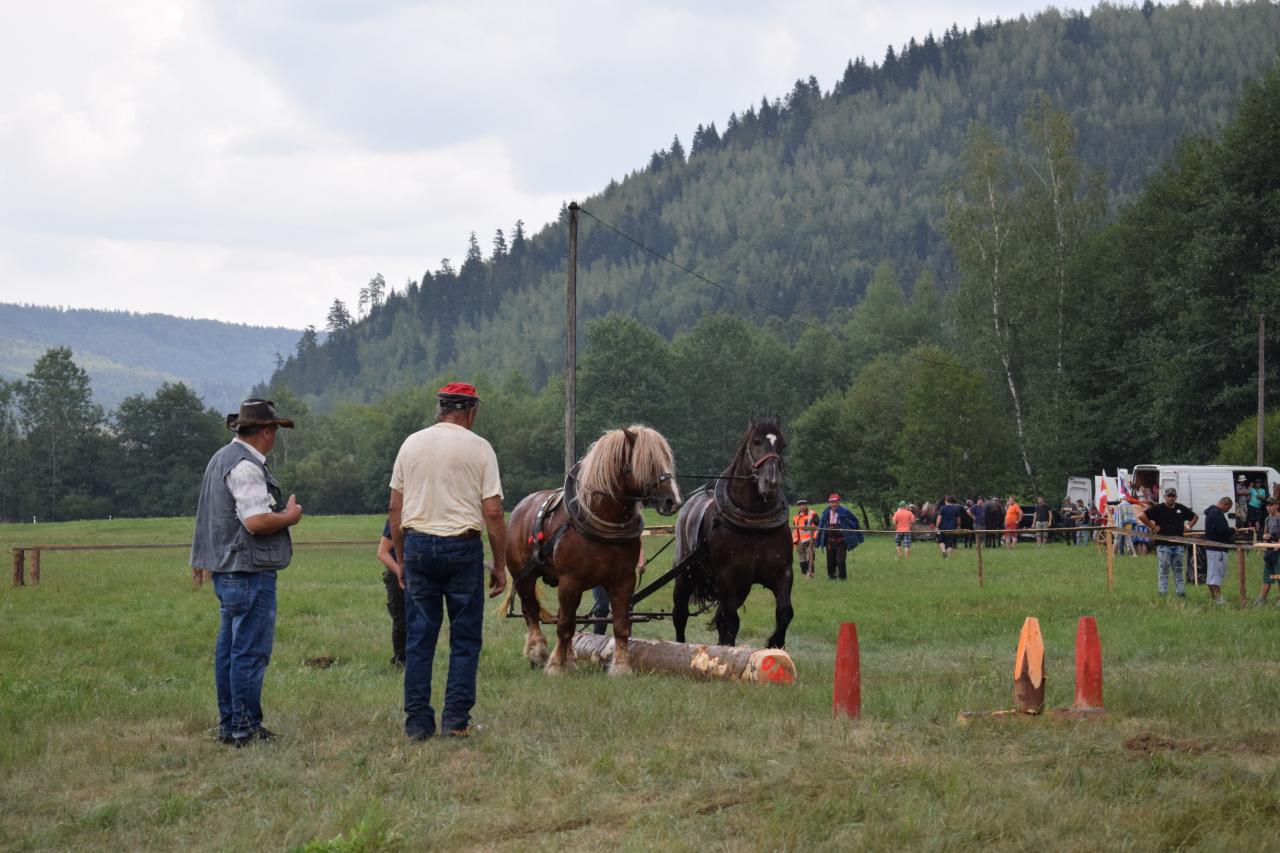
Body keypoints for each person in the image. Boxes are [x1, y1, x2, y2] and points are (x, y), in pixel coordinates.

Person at [388, 382, 507, 740]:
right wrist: (500, 564)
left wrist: (402, 557)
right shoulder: (480, 447)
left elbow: (395, 507)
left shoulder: (411, 444)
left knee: (419, 638)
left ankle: (417, 724)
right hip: (462, 547)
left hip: (418, 546)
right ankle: (455, 721)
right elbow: (493, 512)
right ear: (470, 412)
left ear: (441, 410)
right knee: (465, 637)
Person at [191, 399, 303, 747]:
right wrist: (289, 516)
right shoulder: (246, 466)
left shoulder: (220, 458)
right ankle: (244, 727)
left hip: (227, 569)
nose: (275, 438)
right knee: (250, 652)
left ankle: (231, 723)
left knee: (230, 651)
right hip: (249, 571)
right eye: (275, 430)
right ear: (266, 431)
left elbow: (209, 515)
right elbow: (256, 521)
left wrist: (202, 557)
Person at [1137, 487, 1198, 598]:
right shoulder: (1158, 508)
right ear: (1164, 497)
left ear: (1175, 497)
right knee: (1164, 569)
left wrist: (1188, 526)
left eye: (1172, 496)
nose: (1170, 498)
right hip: (1163, 545)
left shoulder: (1180, 508)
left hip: (1179, 544)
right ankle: (1163, 592)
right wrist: (1153, 527)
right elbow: (1141, 516)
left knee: (1178, 569)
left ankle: (1181, 592)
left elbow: (1195, 517)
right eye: (1168, 496)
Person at [375, 520, 407, 668]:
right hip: (396, 574)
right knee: (401, 621)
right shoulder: (397, 518)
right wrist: (400, 572)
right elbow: (382, 553)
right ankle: (400, 663)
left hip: (418, 573)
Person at [816, 493, 862, 580]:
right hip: (829, 541)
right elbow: (821, 525)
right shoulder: (826, 513)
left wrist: (850, 531)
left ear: (839, 502)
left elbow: (854, 521)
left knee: (840, 561)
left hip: (841, 541)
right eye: (832, 502)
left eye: (836, 502)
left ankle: (842, 578)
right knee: (830, 562)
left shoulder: (845, 512)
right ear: (829, 503)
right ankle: (831, 578)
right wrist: (818, 534)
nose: (834, 504)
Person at [1201, 497, 1234, 605]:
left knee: (1211, 575)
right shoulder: (1217, 513)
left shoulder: (1211, 512)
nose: (1227, 511)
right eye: (1228, 508)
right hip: (1217, 548)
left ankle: (1214, 598)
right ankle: (1219, 599)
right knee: (1216, 575)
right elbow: (1222, 531)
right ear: (1225, 504)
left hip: (1211, 548)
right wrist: (1233, 530)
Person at [1253, 499, 1280, 606]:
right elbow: (1265, 534)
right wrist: (1265, 540)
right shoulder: (1267, 519)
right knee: (1267, 576)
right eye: (1267, 505)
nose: (1269, 507)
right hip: (1269, 551)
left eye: (1271, 505)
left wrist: (1273, 539)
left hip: (1278, 551)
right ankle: (1261, 599)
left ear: (1277, 505)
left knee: (1279, 576)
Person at [792, 499, 819, 578]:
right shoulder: (796, 516)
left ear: (806, 505)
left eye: (803, 505)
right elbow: (795, 528)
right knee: (802, 558)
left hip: (810, 539)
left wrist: (813, 532)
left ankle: (811, 574)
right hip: (799, 540)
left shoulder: (813, 514)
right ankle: (804, 574)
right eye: (800, 505)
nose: (802, 506)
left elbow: (819, 525)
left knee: (810, 557)